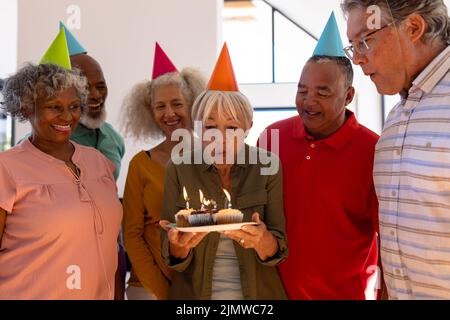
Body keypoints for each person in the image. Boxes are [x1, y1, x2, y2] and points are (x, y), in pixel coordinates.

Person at [259, 13, 380, 299]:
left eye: (322, 93)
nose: (308, 101)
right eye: (302, 90)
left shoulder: (374, 150)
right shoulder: (271, 138)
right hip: (271, 293)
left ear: (348, 95)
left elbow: (387, 237)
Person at [159, 44, 287, 300]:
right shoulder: (179, 168)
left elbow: (277, 250)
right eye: (210, 127)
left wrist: (261, 240)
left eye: (232, 128)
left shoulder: (267, 167)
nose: (220, 139)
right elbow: (172, 256)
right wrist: (178, 246)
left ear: (248, 127)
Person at [343, 0, 450, 299]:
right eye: (352, 46)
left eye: (365, 40)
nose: (357, 59)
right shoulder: (393, 122)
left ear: (414, 27)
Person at [0, 56, 122, 298]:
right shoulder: (6, 168)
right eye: (54, 107)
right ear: (27, 107)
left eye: (74, 106)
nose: (67, 117)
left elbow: (112, 244)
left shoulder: (98, 162)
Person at [121, 43, 206, 300]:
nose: (169, 114)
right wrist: (164, 292)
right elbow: (132, 235)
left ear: (193, 105)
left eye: (176, 104)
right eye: (160, 106)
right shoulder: (141, 164)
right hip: (150, 289)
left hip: (204, 288)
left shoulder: (215, 157)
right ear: (150, 112)